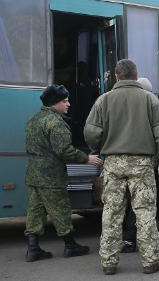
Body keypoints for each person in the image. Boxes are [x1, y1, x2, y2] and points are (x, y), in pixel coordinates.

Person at [84, 59, 159, 275]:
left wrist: (98, 147)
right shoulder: (149, 100)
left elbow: (91, 133)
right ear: (136, 76)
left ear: (116, 77)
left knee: (112, 211)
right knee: (144, 211)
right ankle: (151, 260)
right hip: (142, 163)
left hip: (113, 163)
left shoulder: (103, 100)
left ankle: (109, 262)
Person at [24, 85, 102, 262]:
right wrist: (86, 159)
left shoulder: (33, 119)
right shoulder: (56, 123)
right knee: (61, 210)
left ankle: (33, 248)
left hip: (33, 174)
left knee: (35, 211)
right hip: (51, 176)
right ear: (53, 104)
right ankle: (70, 246)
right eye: (64, 101)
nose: (68, 104)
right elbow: (64, 151)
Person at [121, 78, 159, 253]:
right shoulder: (150, 103)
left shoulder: (156, 106)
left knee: (140, 198)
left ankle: (130, 238)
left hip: (152, 162)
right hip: (149, 162)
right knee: (158, 197)